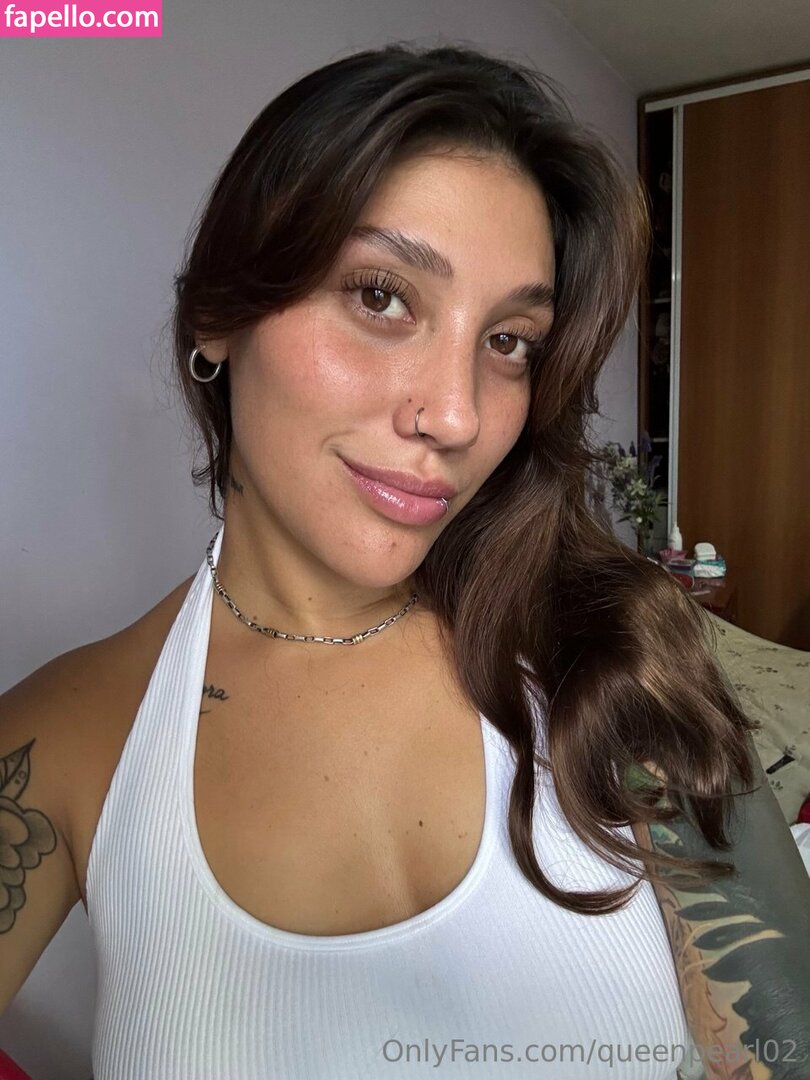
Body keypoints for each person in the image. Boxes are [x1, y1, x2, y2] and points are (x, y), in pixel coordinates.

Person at [1, 41, 808, 1080]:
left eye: (509, 341)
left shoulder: (615, 650)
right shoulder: (69, 740)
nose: (458, 415)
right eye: (382, 296)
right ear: (219, 315)